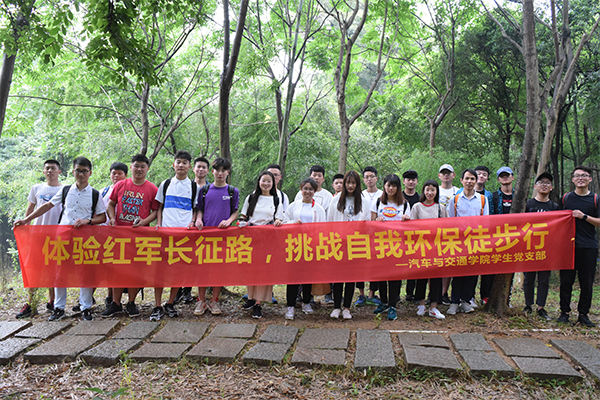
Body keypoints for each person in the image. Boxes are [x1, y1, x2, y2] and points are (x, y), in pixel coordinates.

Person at [14, 157, 107, 322]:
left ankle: (85, 308)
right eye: (78, 170)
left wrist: (88, 221)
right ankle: (59, 308)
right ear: (73, 171)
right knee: (59, 272)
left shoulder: (94, 194)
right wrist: (26, 219)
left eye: (84, 171)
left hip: (84, 238)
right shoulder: (65, 190)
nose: (81, 174)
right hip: (62, 236)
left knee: (85, 272)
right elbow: (47, 205)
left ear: (90, 173)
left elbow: (102, 217)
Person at [102, 154, 159, 318]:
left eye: (142, 166)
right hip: (119, 235)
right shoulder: (121, 185)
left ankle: (131, 302)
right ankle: (116, 303)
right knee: (117, 269)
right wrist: (112, 218)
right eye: (136, 166)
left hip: (140, 236)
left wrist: (144, 222)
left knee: (136, 270)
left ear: (147, 169)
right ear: (131, 167)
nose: (139, 169)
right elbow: (111, 204)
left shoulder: (152, 189)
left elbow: (155, 211)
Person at [153, 150, 198, 321]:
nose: (181, 165)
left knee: (178, 272)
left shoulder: (193, 187)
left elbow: (195, 209)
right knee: (160, 272)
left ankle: (170, 303)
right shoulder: (165, 184)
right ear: (173, 165)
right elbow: (159, 207)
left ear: (189, 166)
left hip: (183, 237)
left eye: (184, 162)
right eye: (178, 162)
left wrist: (192, 222)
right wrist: (159, 224)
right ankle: (157, 305)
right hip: (165, 234)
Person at [15, 159, 63, 319]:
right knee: (34, 269)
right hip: (37, 234)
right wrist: (25, 228)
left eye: (53, 168)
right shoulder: (36, 188)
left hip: (57, 236)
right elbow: (30, 209)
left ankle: (53, 301)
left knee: (54, 269)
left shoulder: (65, 189)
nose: (50, 171)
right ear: (43, 171)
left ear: (59, 171)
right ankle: (30, 304)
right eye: (47, 168)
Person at [194, 157, 240, 316]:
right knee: (202, 269)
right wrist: (199, 219)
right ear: (212, 171)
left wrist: (229, 221)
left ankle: (214, 301)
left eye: (223, 171)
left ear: (228, 172)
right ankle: (201, 301)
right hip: (205, 236)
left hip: (223, 237)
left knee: (218, 270)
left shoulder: (232, 191)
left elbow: (235, 211)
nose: (220, 173)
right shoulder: (204, 190)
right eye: (217, 170)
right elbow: (199, 209)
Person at [558, 166, 600, 327]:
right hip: (568, 247)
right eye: (577, 176)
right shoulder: (566, 198)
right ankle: (564, 313)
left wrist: (584, 216)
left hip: (588, 246)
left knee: (586, 283)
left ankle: (583, 314)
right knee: (566, 281)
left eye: (584, 175)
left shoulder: (595, 199)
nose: (580, 178)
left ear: (590, 179)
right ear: (573, 179)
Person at [239, 171, 284, 319]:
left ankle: (258, 303)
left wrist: (278, 221)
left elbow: (279, 218)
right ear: (259, 182)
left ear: (273, 183)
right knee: (250, 268)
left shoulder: (276, 200)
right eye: (263, 180)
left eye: (269, 181)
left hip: (267, 239)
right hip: (251, 238)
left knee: (264, 269)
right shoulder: (251, 197)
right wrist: (242, 223)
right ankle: (251, 297)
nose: (266, 184)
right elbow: (244, 215)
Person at [446, 168, 489, 315]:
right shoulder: (455, 199)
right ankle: (454, 302)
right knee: (457, 272)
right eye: (467, 178)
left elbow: (486, 222)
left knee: (472, 273)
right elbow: (450, 221)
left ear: (476, 181)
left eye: (472, 179)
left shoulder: (482, 199)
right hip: (459, 242)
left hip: (476, 241)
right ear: (461, 180)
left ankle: (466, 301)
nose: (469, 182)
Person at [283, 177, 326, 320]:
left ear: (315, 191)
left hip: (311, 246)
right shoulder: (293, 206)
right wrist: (293, 223)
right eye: (305, 188)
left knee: (308, 276)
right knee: (292, 277)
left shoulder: (319, 209)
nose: (308, 191)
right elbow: (284, 221)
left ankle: (306, 302)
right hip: (294, 245)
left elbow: (323, 228)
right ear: (301, 189)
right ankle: (290, 305)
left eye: (311, 189)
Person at [328, 170, 369, 320]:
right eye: (348, 183)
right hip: (338, 243)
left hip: (355, 243)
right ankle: (336, 307)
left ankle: (347, 307)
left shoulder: (363, 201)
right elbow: (329, 221)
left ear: (357, 184)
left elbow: (367, 222)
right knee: (338, 276)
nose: (350, 186)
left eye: (353, 183)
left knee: (351, 277)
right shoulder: (336, 200)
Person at [370, 174, 410, 321]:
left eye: (394, 186)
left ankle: (393, 305)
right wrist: (377, 220)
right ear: (384, 186)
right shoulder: (377, 202)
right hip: (381, 244)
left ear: (398, 188)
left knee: (395, 276)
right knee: (381, 275)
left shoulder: (404, 204)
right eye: (388, 185)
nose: (391, 188)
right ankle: (383, 302)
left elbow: (409, 228)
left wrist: (406, 220)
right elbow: (371, 223)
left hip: (397, 246)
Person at [410, 180, 448, 319]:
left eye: (433, 190)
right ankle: (421, 304)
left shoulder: (441, 208)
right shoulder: (417, 207)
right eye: (427, 190)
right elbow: (411, 227)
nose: (430, 193)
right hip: (421, 247)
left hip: (437, 248)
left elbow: (446, 227)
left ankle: (434, 307)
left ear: (437, 192)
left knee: (436, 278)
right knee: (421, 276)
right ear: (423, 191)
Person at [523, 172, 557, 321]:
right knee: (528, 277)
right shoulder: (528, 204)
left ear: (551, 187)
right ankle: (528, 305)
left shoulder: (554, 207)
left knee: (544, 278)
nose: (544, 185)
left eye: (548, 183)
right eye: (541, 182)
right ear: (535, 186)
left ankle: (541, 307)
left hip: (546, 248)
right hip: (529, 246)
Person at [99, 162, 128, 309]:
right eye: (113, 173)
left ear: (126, 175)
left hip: (123, 234)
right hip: (105, 234)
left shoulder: (128, 191)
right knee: (107, 266)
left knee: (119, 267)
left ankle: (116, 299)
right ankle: (108, 296)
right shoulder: (103, 192)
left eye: (119, 173)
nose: (116, 176)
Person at [355, 166, 384, 306]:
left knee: (375, 265)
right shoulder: (360, 195)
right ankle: (361, 294)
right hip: (361, 234)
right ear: (363, 180)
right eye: (366, 177)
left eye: (372, 176)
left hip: (378, 235)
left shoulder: (383, 194)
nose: (369, 179)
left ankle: (372, 293)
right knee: (360, 264)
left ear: (376, 178)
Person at [438, 163, 459, 304]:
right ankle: (433, 293)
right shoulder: (435, 190)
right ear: (439, 175)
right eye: (443, 173)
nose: (446, 175)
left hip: (453, 231)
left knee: (449, 263)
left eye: (448, 173)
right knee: (435, 262)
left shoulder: (458, 191)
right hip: (436, 231)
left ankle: (444, 292)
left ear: (453, 175)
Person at [402, 169, 420, 302]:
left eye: (413, 180)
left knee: (415, 264)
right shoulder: (398, 197)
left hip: (416, 236)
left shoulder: (420, 198)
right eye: (408, 179)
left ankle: (411, 293)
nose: (411, 182)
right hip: (400, 236)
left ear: (417, 182)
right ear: (404, 181)